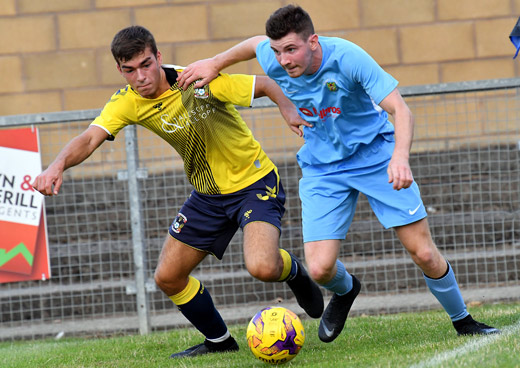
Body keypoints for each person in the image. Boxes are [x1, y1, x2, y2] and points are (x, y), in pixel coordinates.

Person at [177, 5, 500, 341]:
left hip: (376, 157)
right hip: (322, 168)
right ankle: (346, 291)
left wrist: (400, 157)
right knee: (319, 269)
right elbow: (254, 44)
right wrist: (215, 63)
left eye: (291, 49)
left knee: (423, 253)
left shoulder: (348, 58)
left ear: (313, 41)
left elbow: (400, 109)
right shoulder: (274, 56)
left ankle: (464, 321)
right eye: (277, 52)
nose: (283, 60)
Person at [32, 25, 324, 358]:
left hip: (253, 183)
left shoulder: (197, 80)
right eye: (129, 70)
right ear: (120, 70)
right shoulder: (127, 102)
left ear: (158, 57)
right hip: (207, 196)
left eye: (145, 64)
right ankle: (219, 341)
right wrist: (56, 166)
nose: (140, 76)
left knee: (262, 267)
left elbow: (268, 84)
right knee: (168, 277)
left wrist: (288, 109)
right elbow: (88, 138)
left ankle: (295, 272)